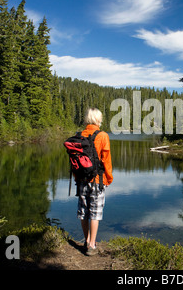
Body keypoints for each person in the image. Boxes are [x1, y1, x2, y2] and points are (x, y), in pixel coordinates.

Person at [78, 108, 113, 255]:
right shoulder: (103, 135)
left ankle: (86, 240)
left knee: (84, 211)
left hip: (81, 179)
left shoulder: (80, 135)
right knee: (95, 213)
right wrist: (109, 178)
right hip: (97, 181)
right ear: (98, 120)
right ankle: (92, 245)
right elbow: (106, 160)